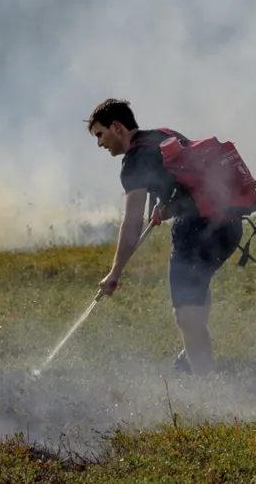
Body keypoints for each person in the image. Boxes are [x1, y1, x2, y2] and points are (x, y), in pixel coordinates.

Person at [86, 97, 242, 375]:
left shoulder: (134, 161)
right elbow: (194, 182)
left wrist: (115, 273)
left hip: (196, 233)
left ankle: (208, 390)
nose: (99, 143)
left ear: (117, 127)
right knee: (198, 284)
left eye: (100, 134)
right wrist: (167, 206)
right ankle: (190, 353)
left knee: (186, 314)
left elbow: (132, 223)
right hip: (229, 226)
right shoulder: (164, 136)